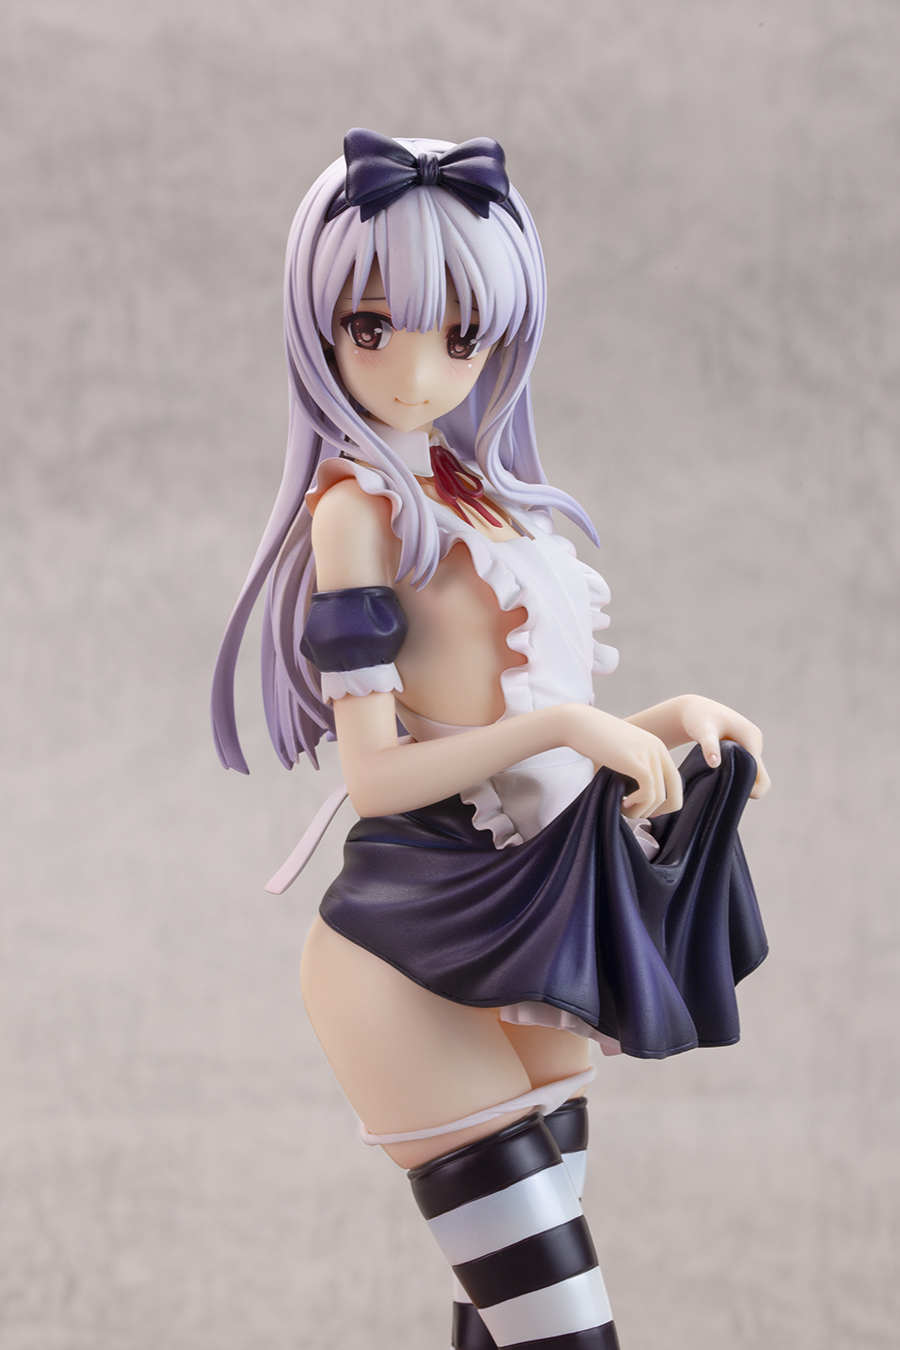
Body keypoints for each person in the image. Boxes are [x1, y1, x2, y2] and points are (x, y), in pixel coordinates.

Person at [212, 129, 771, 1350]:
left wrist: (661, 720)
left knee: (505, 1328)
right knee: (565, 1336)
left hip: (525, 938)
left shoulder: (472, 493)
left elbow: (521, 733)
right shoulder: (356, 515)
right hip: (409, 954)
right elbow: (377, 776)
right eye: (373, 328)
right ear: (322, 327)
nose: (418, 373)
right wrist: (567, 723)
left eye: (458, 337)